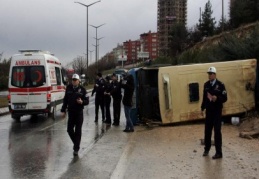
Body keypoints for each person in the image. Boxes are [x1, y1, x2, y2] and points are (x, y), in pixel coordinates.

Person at [201, 67, 227, 159]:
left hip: (217, 112)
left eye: (211, 73)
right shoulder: (206, 85)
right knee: (207, 131)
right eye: (209, 73)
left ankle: (219, 153)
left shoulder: (220, 85)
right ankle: (206, 149)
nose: (210, 75)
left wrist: (217, 98)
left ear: (215, 74)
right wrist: (202, 108)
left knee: (217, 132)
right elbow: (204, 98)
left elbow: (225, 98)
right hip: (209, 112)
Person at [61, 74, 89, 156]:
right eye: (73, 80)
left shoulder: (82, 89)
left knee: (78, 130)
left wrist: (82, 102)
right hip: (71, 112)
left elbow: (87, 100)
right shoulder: (69, 88)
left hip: (79, 113)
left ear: (78, 81)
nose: (74, 81)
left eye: (75, 80)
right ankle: (76, 143)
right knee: (69, 130)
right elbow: (65, 99)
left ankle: (76, 149)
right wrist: (63, 110)